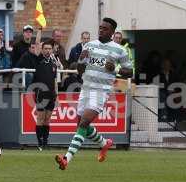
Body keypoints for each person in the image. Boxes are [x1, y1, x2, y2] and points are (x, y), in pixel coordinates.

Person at [55, 17, 132, 170]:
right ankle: (104, 144)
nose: (101, 30)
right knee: (81, 125)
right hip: (86, 89)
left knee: (83, 123)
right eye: (100, 27)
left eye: (105, 28)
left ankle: (66, 159)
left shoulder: (119, 50)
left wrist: (115, 69)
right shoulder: (90, 45)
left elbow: (129, 72)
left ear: (112, 32)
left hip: (100, 91)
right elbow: (79, 69)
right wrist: (81, 62)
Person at [33, 39, 58, 151]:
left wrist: (56, 94)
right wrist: (40, 29)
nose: (48, 51)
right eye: (46, 49)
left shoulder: (54, 64)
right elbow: (37, 43)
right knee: (40, 119)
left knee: (47, 120)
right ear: (42, 50)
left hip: (51, 95)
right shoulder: (39, 60)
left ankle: (45, 143)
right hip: (41, 93)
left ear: (52, 50)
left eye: (49, 49)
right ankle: (39, 143)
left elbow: (54, 80)